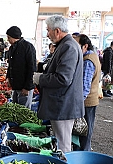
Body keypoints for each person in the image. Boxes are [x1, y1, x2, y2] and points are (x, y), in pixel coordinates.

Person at [33, 15, 84, 153]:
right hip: (62, 103)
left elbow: (63, 78)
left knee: (63, 144)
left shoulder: (68, 47)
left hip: (64, 104)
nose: (47, 34)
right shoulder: (65, 45)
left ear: (57, 31)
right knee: (61, 140)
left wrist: (40, 79)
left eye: (48, 30)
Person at [74, 34, 101, 151]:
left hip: (87, 102)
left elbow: (85, 87)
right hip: (89, 101)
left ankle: (83, 155)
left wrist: (78, 104)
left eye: (76, 45)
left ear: (85, 46)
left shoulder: (88, 61)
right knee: (83, 130)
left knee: (84, 131)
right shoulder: (91, 56)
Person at [5, 26, 36, 109]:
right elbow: (10, 65)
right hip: (16, 86)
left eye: (9, 37)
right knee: (16, 110)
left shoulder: (28, 47)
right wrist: (8, 77)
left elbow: (32, 68)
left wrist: (27, 87)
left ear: (14, 37)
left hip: (24, 87)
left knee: (23, 111)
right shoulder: (12, 48)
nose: (7, 40)